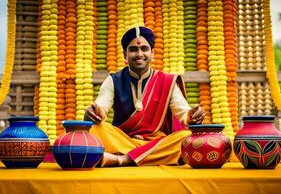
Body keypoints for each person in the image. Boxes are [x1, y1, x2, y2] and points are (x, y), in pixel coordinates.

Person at [85, 26, 205, 167]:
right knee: (94, 129)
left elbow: (183, 112)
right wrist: (95, 113)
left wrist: (191, 116)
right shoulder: (113, 80)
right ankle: (148, 157)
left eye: (144, 49)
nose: (139, 54)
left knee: (186, 137)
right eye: (133, 49)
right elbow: (101, 106)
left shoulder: (166, 81)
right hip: (123, 140)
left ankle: (122, 159)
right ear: (125, 55)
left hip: (155, 142)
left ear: (152, 53)